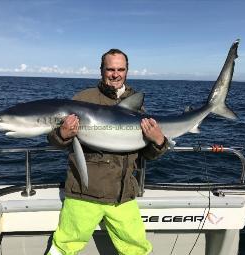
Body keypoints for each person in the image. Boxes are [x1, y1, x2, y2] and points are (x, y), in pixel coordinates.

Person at [47, 49, 168, 255]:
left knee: (137, 250)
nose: (115, 74)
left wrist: (159, 141)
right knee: (63, 248)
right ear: (101, 70)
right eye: (110, 69)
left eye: (120, 69)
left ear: (127, 71)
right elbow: (55, 141)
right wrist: (62, 134)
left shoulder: (136, 104)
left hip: (123, 194)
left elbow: (147, 154)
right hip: (83, 192)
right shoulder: (83, 98)